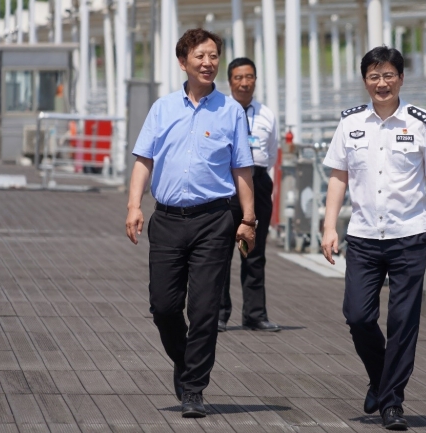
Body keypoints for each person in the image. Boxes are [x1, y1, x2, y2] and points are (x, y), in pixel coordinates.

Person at [321, 46, 426, 431]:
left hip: (408, 235)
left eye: (388, 75)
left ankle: (392, 402)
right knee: (357, 316)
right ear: (365, 80)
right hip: (364, 236)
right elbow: (338, 176)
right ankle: (381, 377)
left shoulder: (421, 122)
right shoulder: (350, 122)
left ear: (401, 78)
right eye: (374, 76)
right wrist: (329, 226)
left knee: (403, 322)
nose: (381, 83)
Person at [125, 28, 256, 418]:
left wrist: (248, 219)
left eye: (213, 56)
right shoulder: (162, 108)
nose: (207, 63)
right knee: (163, 307)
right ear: (183, 62)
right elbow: (144, 160)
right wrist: (134, 206)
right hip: (167, 220)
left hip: (214, 220)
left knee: (203, 309)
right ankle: (185, 363)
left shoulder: (231, 111)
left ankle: (194, 388)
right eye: (200, 56)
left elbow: (242, 169)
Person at [218, 57, 281, 333]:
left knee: (253, 251)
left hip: (258, 183)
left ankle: (255, 314)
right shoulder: (220, 112)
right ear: (230, 81)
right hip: (227, 183)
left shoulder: (267, 114)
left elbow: (272, 152)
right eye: (238, 78)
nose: (244, 83)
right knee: (220, 251)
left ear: (255, 79)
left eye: (249, 77)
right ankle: (218, 314)